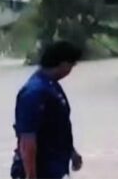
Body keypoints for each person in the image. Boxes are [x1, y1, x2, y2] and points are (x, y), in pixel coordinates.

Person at [11, 41, 83, 179]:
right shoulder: (34, 93)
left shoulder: (52, 86)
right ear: (63, 64)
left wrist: (71, 152)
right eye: (71, 66)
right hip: (40, 169)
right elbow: (27, 138)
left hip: (55, 167)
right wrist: (31, 175)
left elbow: (58, 127)